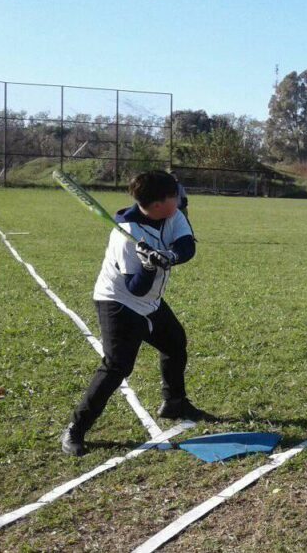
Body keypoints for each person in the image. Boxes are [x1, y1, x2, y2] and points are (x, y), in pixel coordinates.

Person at [61, 170, 211, 456]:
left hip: (151, 303)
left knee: (175, 342)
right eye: (173, 196)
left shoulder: (172, 213)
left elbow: (186, 246)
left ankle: (174, 402)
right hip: (119, 303)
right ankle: (75, 429)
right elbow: (136, 288)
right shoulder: (127, 235)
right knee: (117, 366)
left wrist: (170, 257)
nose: (179, 199)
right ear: (157, 204)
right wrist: (148, 266)